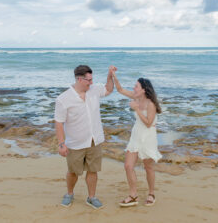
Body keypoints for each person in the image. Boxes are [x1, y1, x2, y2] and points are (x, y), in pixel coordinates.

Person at [54, 65, 115, 209]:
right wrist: (61, 144)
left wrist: (109, 75)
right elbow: (59, 122)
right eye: (89, 80)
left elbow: (109, 89)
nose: (91, 83)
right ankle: (69, 193)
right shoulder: (64, 99)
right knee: (73, 172)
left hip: (95, 140)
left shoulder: (94, 90)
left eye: (92, 79)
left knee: (93, 170)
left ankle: (91, 197)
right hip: (75, 143)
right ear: (80, 79)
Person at [112, 71, 162, 207]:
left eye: (136, 86)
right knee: (128, 166)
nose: (134, 88)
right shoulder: (136, 97)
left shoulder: (151, 104)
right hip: (136, 135)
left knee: (148, 167)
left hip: (148, 137)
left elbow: (148, 123)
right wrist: (113, 76)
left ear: (144, 90)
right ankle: (133, 195)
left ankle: (151, 194)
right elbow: (120, 89)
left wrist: (137, 109)